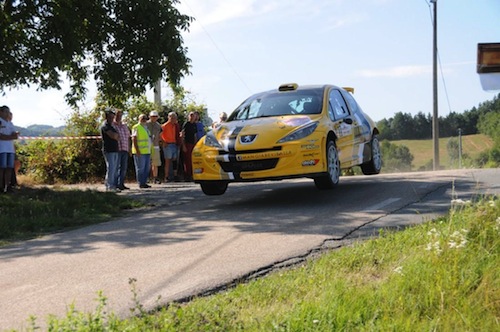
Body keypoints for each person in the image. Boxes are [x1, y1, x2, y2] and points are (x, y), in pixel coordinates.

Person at [100, 108, 120, 192]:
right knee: (111, 168)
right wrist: (116, 136)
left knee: (114, 168)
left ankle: (113, 185)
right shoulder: (105, 126)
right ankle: (109, 186)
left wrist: (116, 136)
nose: (112, 118)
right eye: (110, 117)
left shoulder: (112, 126)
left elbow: (118, 136)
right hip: (109, 150)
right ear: (107, 117)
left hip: (115, 149)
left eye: (113, 117)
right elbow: (113, 136)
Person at [0, 105, 19, 193]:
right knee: (2, 168)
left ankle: (7, 187)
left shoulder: (10, 123)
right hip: (2, 149)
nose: (8, 114)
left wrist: (11, 136)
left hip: (10, 149)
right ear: (1, 112)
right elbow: (1, 136)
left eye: (9, 112)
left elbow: (14, 135)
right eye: (6, 112)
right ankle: (1, 186)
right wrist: (11, 136)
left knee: (9, 168)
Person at [131, 114, 152, 188]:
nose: (144, 119)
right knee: (141, 168)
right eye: (142, 118)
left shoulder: (146, 128)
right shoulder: (136, 127)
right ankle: (141, 183)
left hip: (147, 151)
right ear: (139, 119)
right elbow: (134, 139)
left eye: (145, 118)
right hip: (140, 152)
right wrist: (137, 150)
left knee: (146, 168)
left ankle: (144, 182)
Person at [160, 112, 181, 182]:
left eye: (175, 118)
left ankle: (175, 176)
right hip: (168, 144)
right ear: (168, 118)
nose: (173, 119)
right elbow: (159, 135)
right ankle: (166, 177)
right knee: (167, 161)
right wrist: (164, 142)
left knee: (175, 160)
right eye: (172, 118)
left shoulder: (176, 125)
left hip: (174, 144)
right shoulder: (164, 126)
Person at [113, 109, 131, 190]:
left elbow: (128, 137)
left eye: (120, 115)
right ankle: (115, 184)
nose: (119, 117)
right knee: (116, 167)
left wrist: (129, 148)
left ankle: (121, 184)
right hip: (117, 149)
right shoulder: (113, 125)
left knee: (123, 168)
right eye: (117, 115)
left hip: (125, 148)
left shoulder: (124, 125)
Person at [146, 110, 163, 184]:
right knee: (147, 163)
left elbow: (160, 134)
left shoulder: (158, 125)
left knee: (155, 163)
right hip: (147, 146)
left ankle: (155, 178)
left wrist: (159, 140)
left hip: (155, 146)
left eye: (155, 116)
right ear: (149, 116)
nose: (154, 118)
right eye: (153, 116)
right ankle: (147, 178)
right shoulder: (146, 124)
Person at [181, 112, 197, 182]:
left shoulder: (194, 125)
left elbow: (195, 135)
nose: (192, 117)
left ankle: (192, 175)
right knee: (187, 161)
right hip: (187, 144)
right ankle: (187, 176)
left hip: (193, 144)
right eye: (190, 115)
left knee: (192, 160)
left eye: (193, 116)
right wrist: (183, 145)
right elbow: (182, 135)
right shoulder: (186, 124)